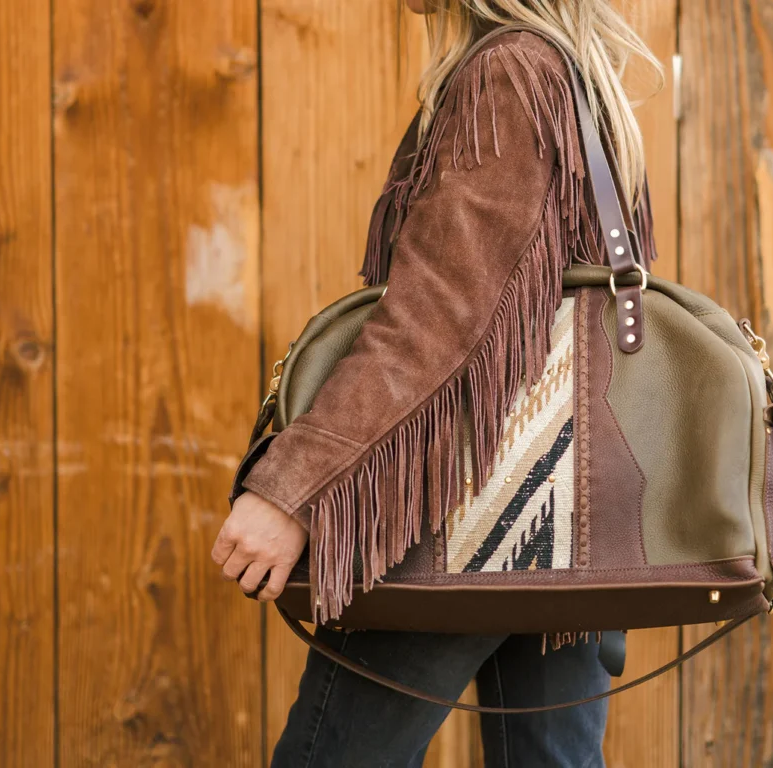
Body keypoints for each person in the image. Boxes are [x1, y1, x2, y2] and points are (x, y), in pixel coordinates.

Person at [212, 1, 662, 765]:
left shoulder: (509, 73)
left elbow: (436, 323)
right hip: (564, 523)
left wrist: (295, 486)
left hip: (460, 510)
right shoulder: (571, 75)